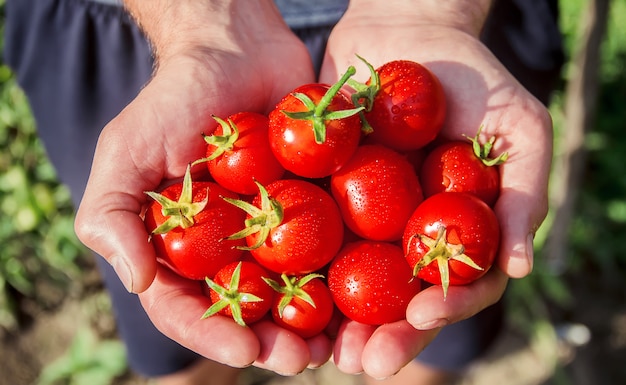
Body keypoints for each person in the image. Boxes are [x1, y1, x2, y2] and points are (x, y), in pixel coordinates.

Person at [4, 0, 563, 384]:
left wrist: (426, 9)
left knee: (432, 332)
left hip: (443, 16)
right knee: (182, 338)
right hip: (138, 17)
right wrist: (204, 23)